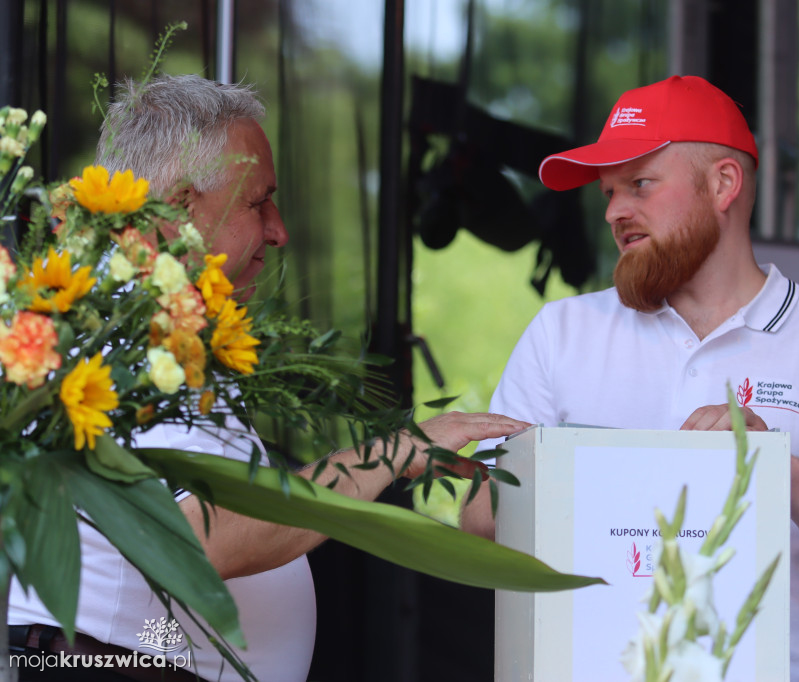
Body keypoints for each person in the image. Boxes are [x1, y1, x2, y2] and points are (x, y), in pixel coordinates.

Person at [8, 74, 529, 682]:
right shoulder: (124, 337)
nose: (279, 231)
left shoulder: (143, 323)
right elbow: (202, 538)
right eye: (258, 201)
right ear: (179, 209)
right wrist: (390, 453)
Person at [469, 75, 799, 682]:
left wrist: (772, 468)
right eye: (608, 192)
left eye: (640, 184)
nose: (613, 212)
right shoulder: (561, 331)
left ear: (723, 184)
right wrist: (584, 473)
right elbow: (478, 524)